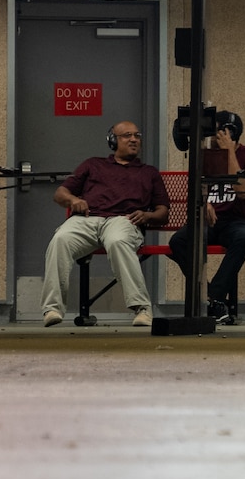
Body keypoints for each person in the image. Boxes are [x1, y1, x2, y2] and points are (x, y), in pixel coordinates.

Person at [42, 120, 169, 328]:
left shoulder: (149, 172)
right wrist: (74, 200)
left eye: (137, 135)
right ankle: (52, 308)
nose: (134, 139)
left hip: (124, 220)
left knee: (118, 241)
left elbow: (163, 211)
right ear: (112, 141)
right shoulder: (93, 164)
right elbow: (60, 193)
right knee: (60, 239)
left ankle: (142, 308)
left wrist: (147, 216)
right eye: (127, 135)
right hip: (87, 218)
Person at [169, 108, 245, 324]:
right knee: (179, 240)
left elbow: (243, 191)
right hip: (210, 221)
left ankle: (215, 296)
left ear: (230, 133)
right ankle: (213, 300)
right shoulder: (207, 155)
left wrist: (229, 152)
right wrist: (205, 202)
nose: (211, 138)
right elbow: (200, 186)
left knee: (244, 237)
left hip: (237, 221)